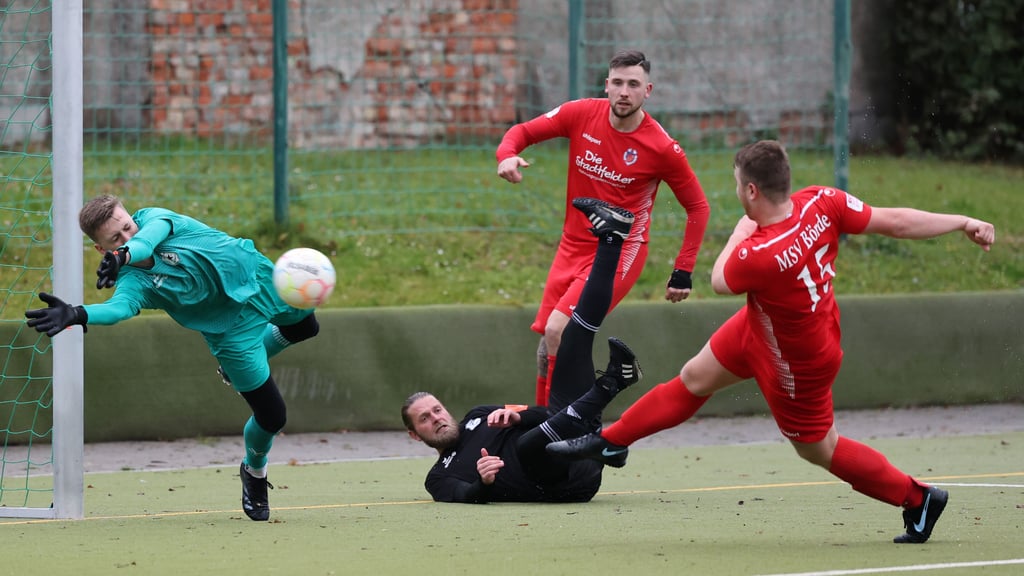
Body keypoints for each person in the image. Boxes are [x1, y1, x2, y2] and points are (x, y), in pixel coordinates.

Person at [548, 140, 996, 544]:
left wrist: (743, 229)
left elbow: (720, 279)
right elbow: (894, 221)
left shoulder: (757, 252)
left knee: (819, 448)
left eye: (738, 185)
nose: (737, 191)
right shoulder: (823, 201)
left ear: (752, 193)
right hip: (763, 326)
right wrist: (963, 221)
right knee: (695, 376)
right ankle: (611, 441)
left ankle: (917, 499)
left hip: (796, 360)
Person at [24, 194, 322, 522]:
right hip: (230, 331)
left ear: (132, 217)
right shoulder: (135, 281)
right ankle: (254, 471)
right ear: (100, 250)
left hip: (256, 278)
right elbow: (118, 309)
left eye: (127, 227)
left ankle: (249, 360)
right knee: (273, 416)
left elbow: (145, 239)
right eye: (115, 239)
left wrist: (123, 254)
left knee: (307, 325)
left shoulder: (156, 220)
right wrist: (78, 313)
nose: (128, 237)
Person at [495, 49, 710, 406]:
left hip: (618, 254)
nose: (625, 91)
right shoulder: (580, 113)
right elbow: (521, 132)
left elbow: (698, 207)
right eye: (618, 83)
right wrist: (507, 156)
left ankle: (557, 429)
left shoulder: (661, 147)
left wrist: (683, 270)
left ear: (648, 91)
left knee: (558, 331)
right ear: (606, 86)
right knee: (547, 347)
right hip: (571, 246)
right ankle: (546, 430)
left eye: (634, 84)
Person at [402, 197, 642, 503]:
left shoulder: (480, 416)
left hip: (575, 447)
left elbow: (546, 414)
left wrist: (518, 418)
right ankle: (611, 386)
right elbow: (467, 494)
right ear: (414, 434)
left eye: (436, 410)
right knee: (528, 447)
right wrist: (483, 481)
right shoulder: (438, 478)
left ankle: (611, 237)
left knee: (572, 336)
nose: (435, 418)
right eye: (424, 418)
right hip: (562, 485)